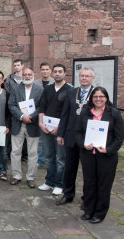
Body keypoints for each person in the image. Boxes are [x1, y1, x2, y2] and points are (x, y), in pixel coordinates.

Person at [75, 87, 124, 224]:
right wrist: (84, 144)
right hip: (88, 155)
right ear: (92, 98)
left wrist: (108, 149)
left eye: (101, 96)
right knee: (89, 184)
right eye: (95, 96)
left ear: (106, 98)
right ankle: (88, 210)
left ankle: (99, 213)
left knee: (104, 185)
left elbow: (119, 137)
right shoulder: (85, 112)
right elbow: (77, 133)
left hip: (107, 156)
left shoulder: (114, 113)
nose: (98, 99)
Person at [56, 67, 95, 206]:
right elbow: (65, 114)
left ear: (92, 79)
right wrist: (60, 133)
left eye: (87, 76)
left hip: (88, 138)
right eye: (82, 76)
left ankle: (87, 198)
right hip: (71, 136)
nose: (84, 78)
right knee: (69, 167)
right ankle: (68, 194)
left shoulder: (97, 94)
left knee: (88, 171)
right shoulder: (72, 92)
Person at [38, 64, 73, 195]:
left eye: (60, 71)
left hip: (61, 130)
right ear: (52, 74)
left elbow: (69, 112)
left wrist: (60, 128)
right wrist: (41, 123)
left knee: (61, 159)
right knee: (49, 156)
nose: (57, 74)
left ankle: (59, 184)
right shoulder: (47, 89)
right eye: (55, 72)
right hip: (46, 128)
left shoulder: (70, 90)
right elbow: (42, 107)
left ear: (64, 73)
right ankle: (49, 181)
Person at [8, 67, 43, 188]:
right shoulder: (16, 89)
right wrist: (22, 116)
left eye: (29, 74)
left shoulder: (40, 89)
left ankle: (31, 177)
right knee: (15, 151)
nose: (27, 76)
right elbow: (11, 105)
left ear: (33, 75)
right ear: (22, 76)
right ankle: (16, 175)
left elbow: (41, 107)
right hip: (18, 123)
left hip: (33, 124)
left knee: (33, 153)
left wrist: (31, 117)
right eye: (25, 75)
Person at [33, 62, 54, 167]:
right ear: (40, 71)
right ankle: (40, 160)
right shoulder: (36, 83)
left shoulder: (55, 82)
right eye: (43, 69)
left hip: (52, 114)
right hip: (40, 113)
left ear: (50, 71)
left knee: (52, 138)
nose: (45, 71)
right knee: (41, 139)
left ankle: (50, 159)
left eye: (47, 69)